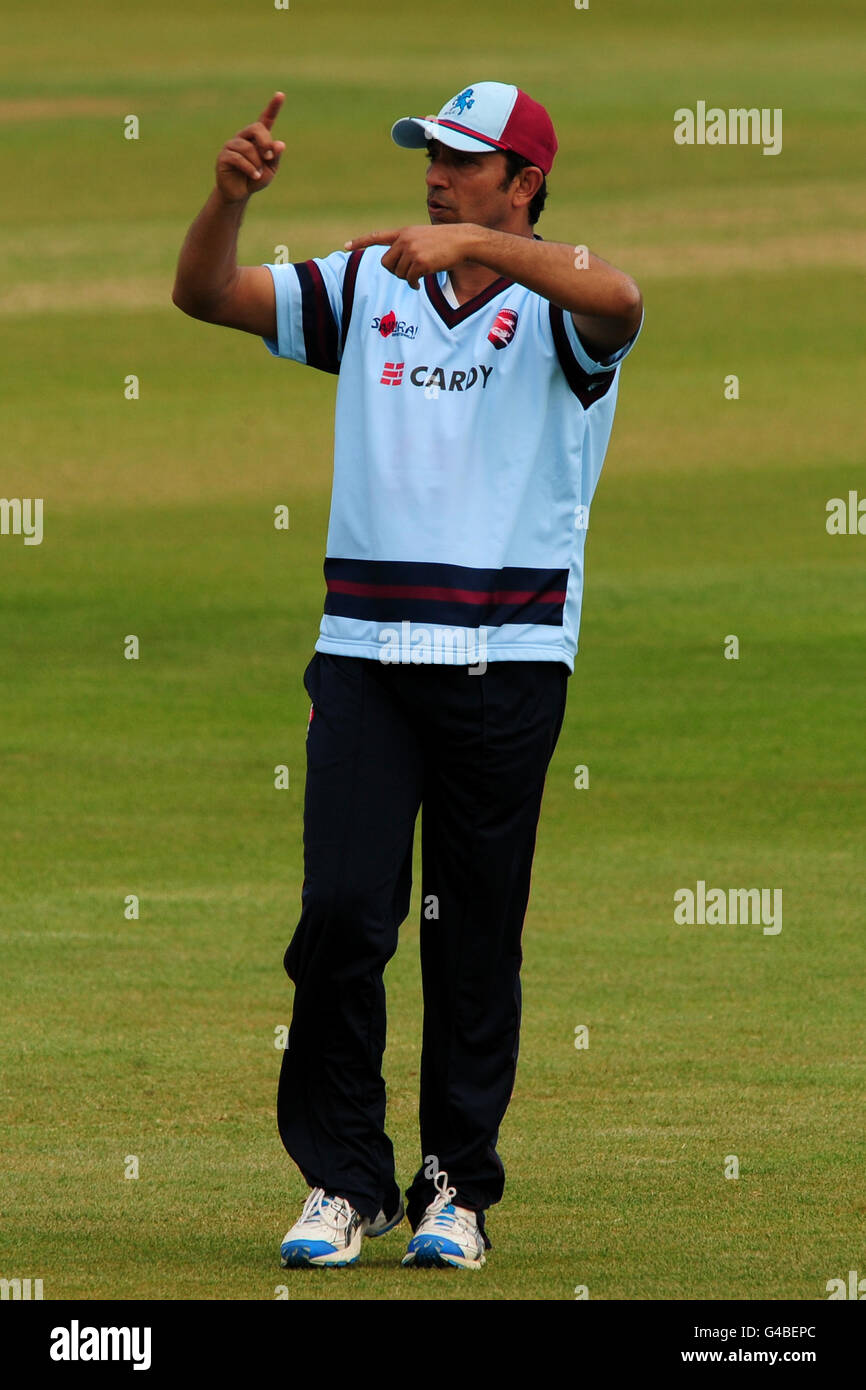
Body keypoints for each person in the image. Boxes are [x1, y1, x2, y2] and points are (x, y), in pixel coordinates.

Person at [172, 81, 643, 1271]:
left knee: (473, 935)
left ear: (522, 183)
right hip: (366, 655)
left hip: (509, 658)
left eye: (463, 160)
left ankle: (454, 1191)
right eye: (429, 153)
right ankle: (343, 1181)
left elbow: (621, 297)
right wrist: (225, 206)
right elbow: (206, 294)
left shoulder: (557, 308)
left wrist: (483, 247)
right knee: (340, 914)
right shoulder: (370, 278)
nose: (434, 173)